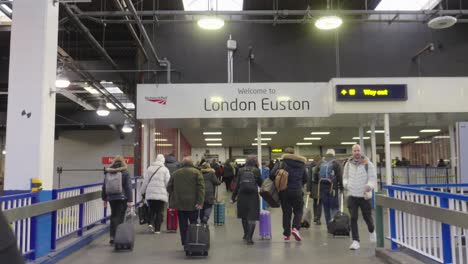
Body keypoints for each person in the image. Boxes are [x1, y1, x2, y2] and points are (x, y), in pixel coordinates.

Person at [343, 144, 377, 250]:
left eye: (358, 150)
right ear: (352, 152)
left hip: (364, 195)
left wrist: (369, 186)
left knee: (367, 217)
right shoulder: (348, 165)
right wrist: (346, 184)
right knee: (353, 218)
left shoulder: (368, 164)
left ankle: (371, 231)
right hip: (352, 195)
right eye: (354, 151)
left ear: (360, 151)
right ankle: (355, 241)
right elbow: (344, 177)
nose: (356, 152)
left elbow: (373, 178)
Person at [270, 147, 308, 242]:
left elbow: (271, 175)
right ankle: (295, 228)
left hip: (284, 191)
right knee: (298, 211)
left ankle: (287, 235)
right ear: (294, 153)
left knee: (286, 213)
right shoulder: (301, 164)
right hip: (297, 191)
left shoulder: (281, 163)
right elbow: (306, 178)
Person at [167, 156, 205, 247]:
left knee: (182, 225)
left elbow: (169, 187)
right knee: (193, 224)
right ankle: (192, 241)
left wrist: (175, 195)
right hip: (193, 204)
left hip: (180, 204)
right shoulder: (197, 173)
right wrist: (200, 202)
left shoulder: (175, 173)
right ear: (192, 163)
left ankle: (184, 242)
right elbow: (201, 188)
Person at [231, 155, 263, 245]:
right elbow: (261, 183)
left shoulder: (241, 170)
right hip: (253, 196)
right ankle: (249, 237)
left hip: (242, 195)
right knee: (252, 217)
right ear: (255, 162)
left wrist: (233, 197)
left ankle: (245, 234)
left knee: (244, 215)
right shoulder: (256, 170)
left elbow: (237, 185)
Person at [101, 155, 133, 245]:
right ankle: (118, 237)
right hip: (122, 198)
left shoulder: (108, 172)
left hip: (111, 197)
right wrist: (130, 200)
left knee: (114, 215)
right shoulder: (125, 172)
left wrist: (104, 199)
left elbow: (104, 186)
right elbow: (128, 187)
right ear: (123, 162)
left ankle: (112, 237)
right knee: (120, 217)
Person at [140, 154, 171, 234]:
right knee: (159, 211)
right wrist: (169, 192)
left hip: (150, 194)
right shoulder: (165, 170)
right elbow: (168, 182)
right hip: (161, 194)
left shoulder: (149, 168)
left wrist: (142, 192)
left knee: (152, 210)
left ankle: (150, 223)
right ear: (163, 161)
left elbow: (145, 182)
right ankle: (157, 229)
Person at [313, 149, 343, 225]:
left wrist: (318, 182)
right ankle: (334, 225)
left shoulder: (320, 162)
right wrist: (341, 187)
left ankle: (329, 226)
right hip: (333, 188)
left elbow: (315, 174)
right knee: (334, 207)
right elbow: (339, 176)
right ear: (334, 154)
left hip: (322, 188)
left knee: (326, 207)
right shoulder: (336, 163)